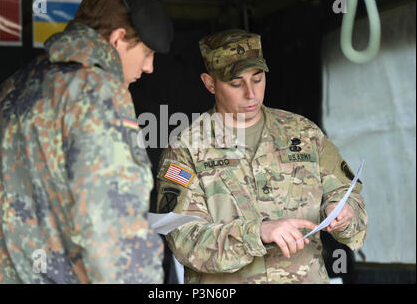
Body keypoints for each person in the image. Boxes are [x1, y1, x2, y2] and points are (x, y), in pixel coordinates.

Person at [0, 0, 173, 283]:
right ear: (117, 39)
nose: (149, 66)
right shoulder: (96, 92)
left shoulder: (4, 94)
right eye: (146, 52)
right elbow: (115, 239)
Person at [156, 29, 368, 283]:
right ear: (209, 83)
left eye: (257, 79)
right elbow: (181, 236)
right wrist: (256, 233)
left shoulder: (304, 134)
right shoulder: (186, 149)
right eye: (236, 83)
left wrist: (342, 214)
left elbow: (348, 196)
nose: (251, 93)